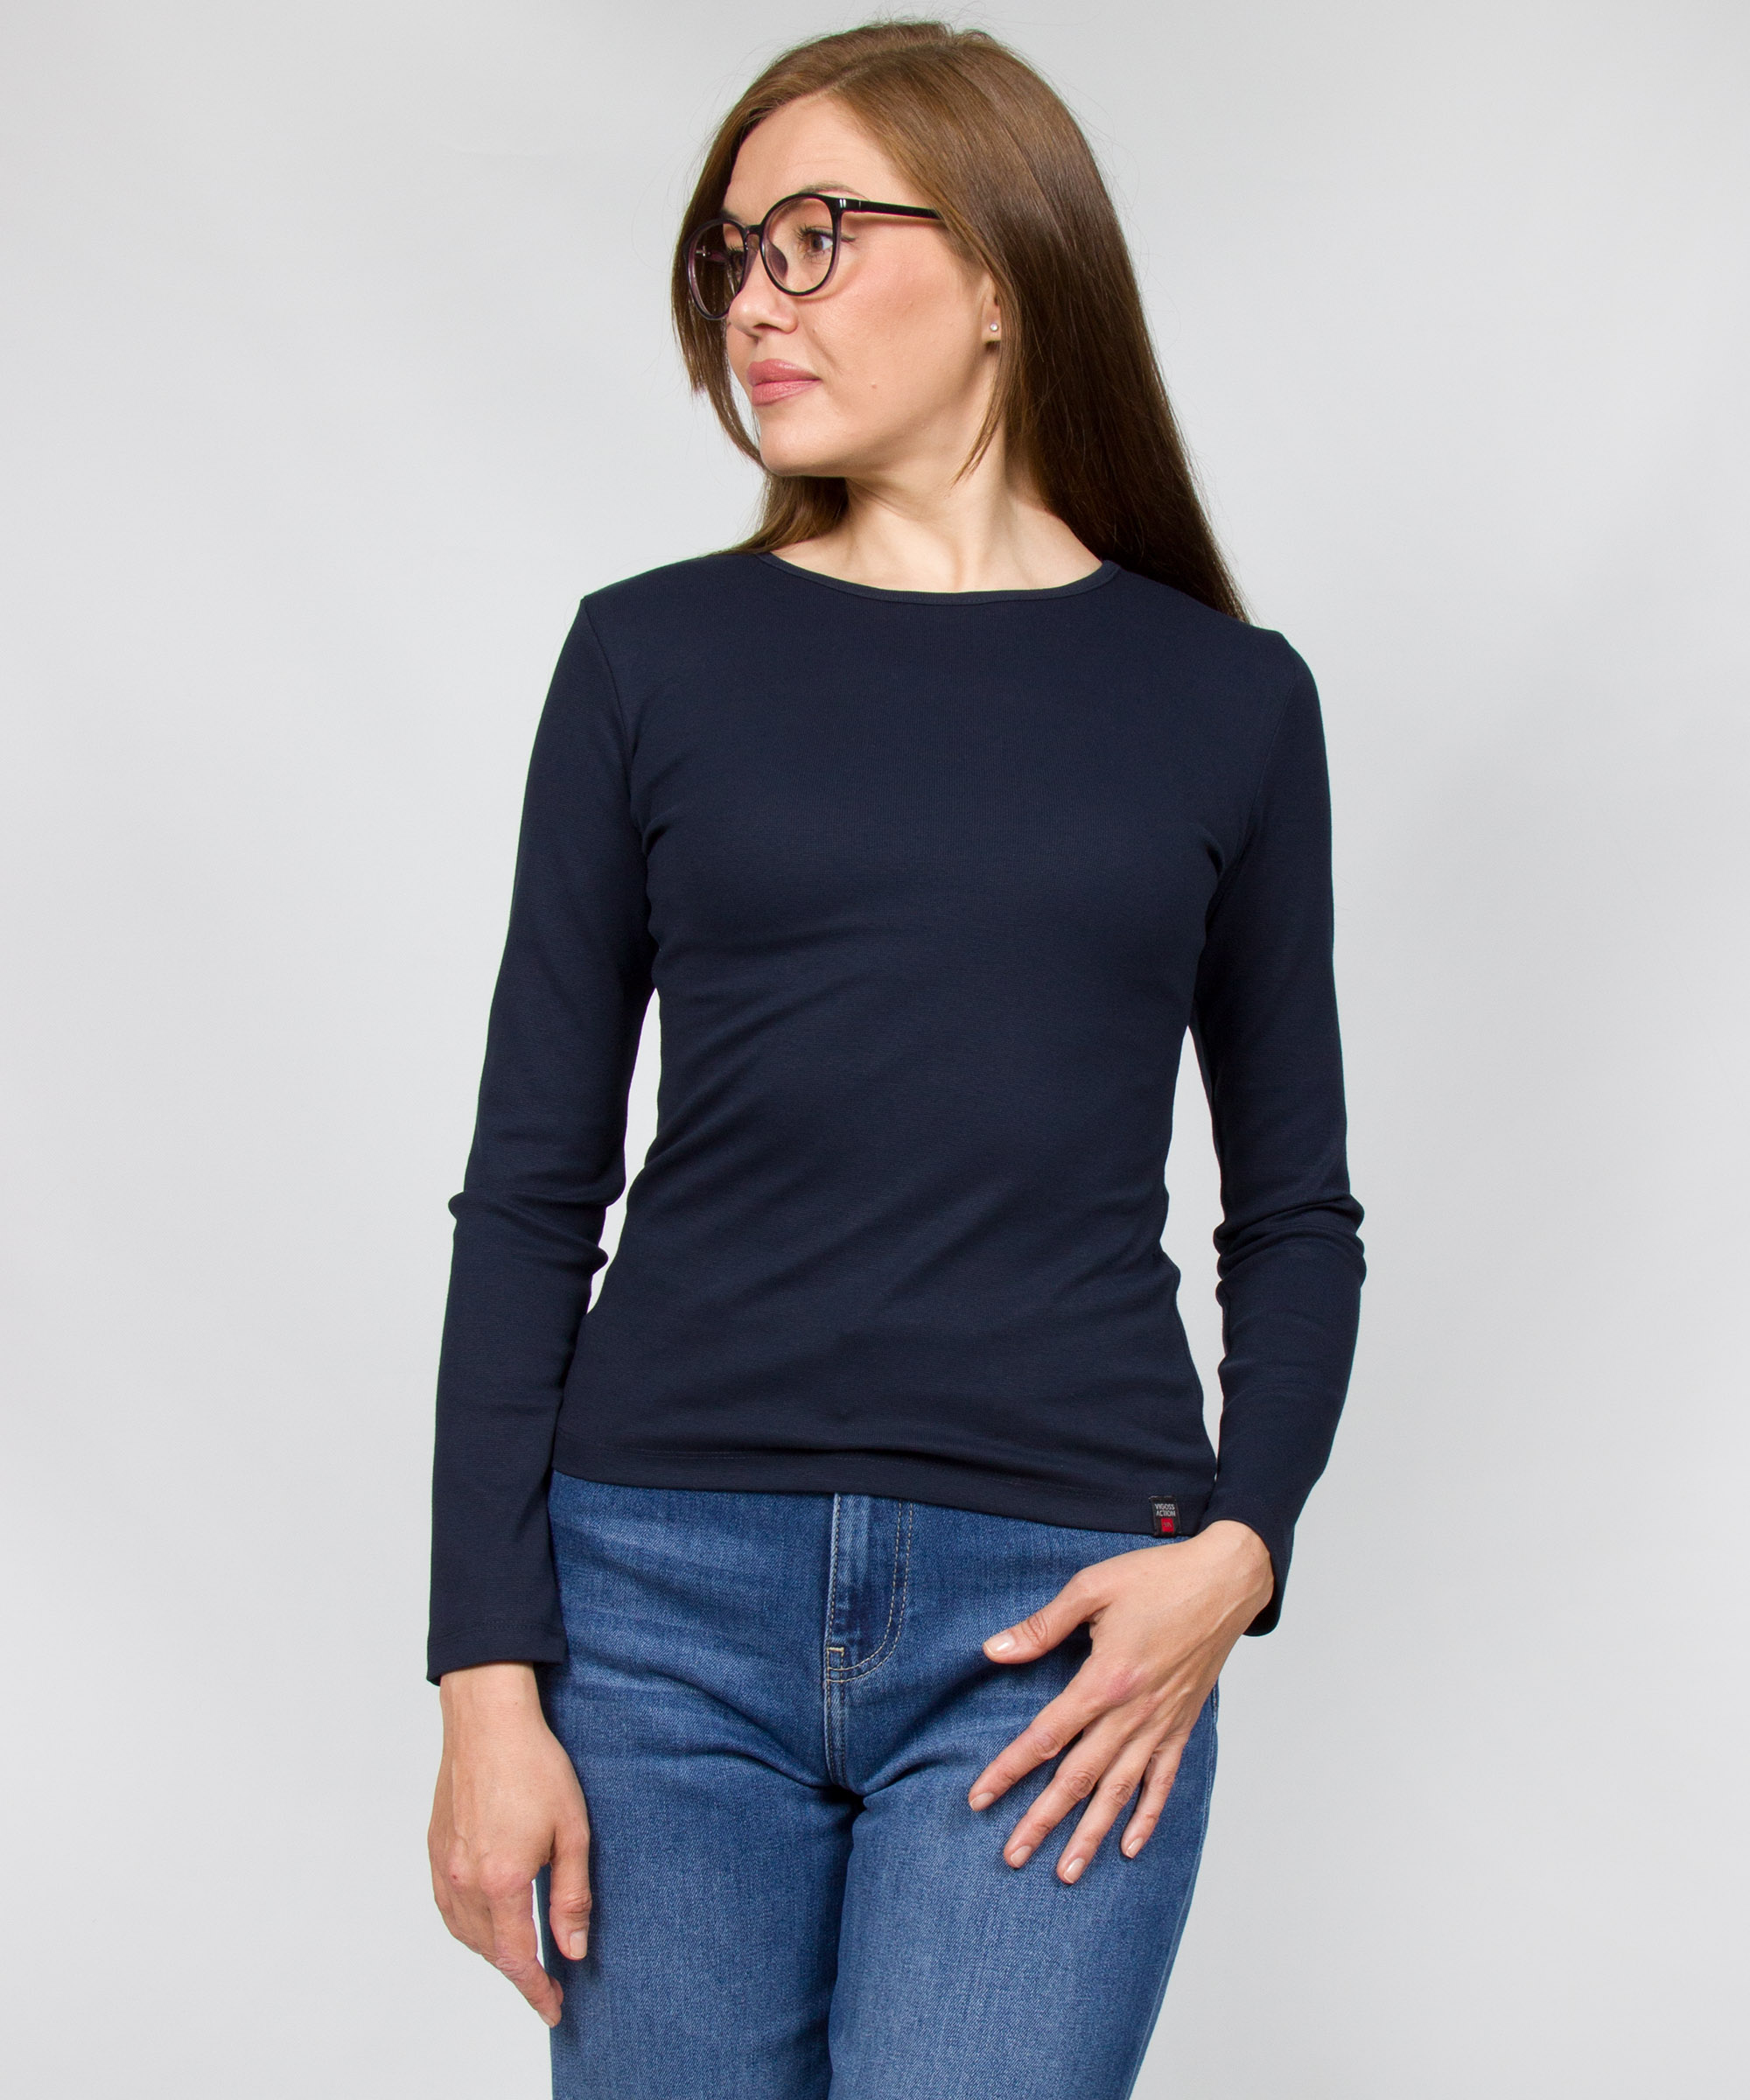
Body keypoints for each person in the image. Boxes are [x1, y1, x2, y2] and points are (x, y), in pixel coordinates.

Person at [425, 21, 1365, 2100]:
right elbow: (531, 1192)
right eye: (731, 254)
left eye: (819, 236)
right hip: (657, 1606)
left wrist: (1240, 1554)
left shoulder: (1224, 701)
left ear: (1007, 270)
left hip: (1056, 1618)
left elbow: (1295, 1210)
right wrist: (486, 1678)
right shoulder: (650, 657)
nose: (756, 300)